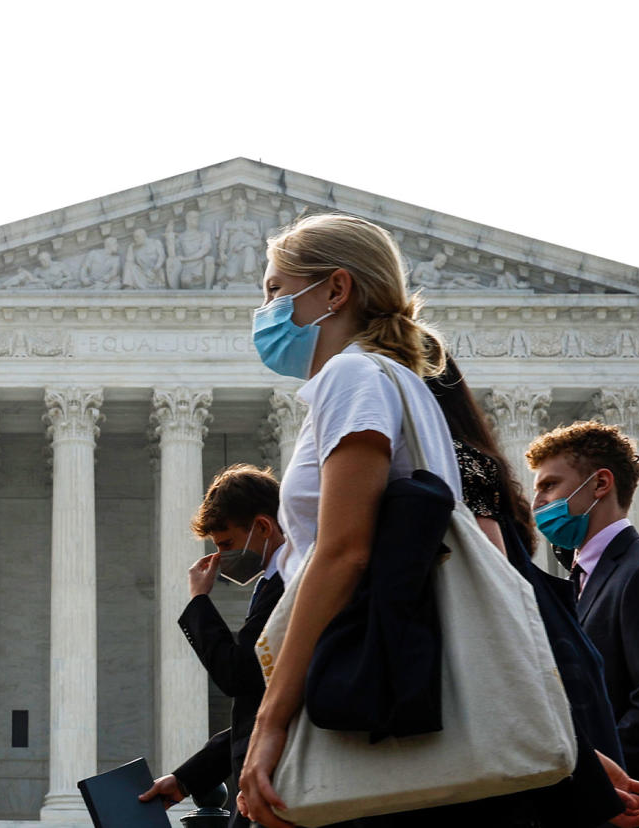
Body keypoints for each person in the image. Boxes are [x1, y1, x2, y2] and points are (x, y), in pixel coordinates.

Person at [236, 212, 486, 828]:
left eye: (274, 289)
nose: (265, 309)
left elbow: (344, 552)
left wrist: (270, 720)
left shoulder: (351, 377)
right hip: (389, 676)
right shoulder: (406, 385)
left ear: (335, 290)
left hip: (353, 679)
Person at [425, 359, 639, 828]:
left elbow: (499, 625)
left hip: (544, 764)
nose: (539, 505)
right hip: (555, 754)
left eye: (550, 486)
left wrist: (580, 763)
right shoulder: (562, 579)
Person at [527, 421, 639, 828]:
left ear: (600, 484)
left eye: (550, 485)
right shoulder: (581, 582)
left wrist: (590, 780)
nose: (537, 501)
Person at [139, 464, 287, 827]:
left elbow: (239, 675)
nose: (221, 559)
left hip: (281, 783)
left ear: (263, 527)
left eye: (226, 544)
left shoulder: (288, 584)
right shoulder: (273, 583)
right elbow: (261, 707)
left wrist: (198, 602)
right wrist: (187, 778)